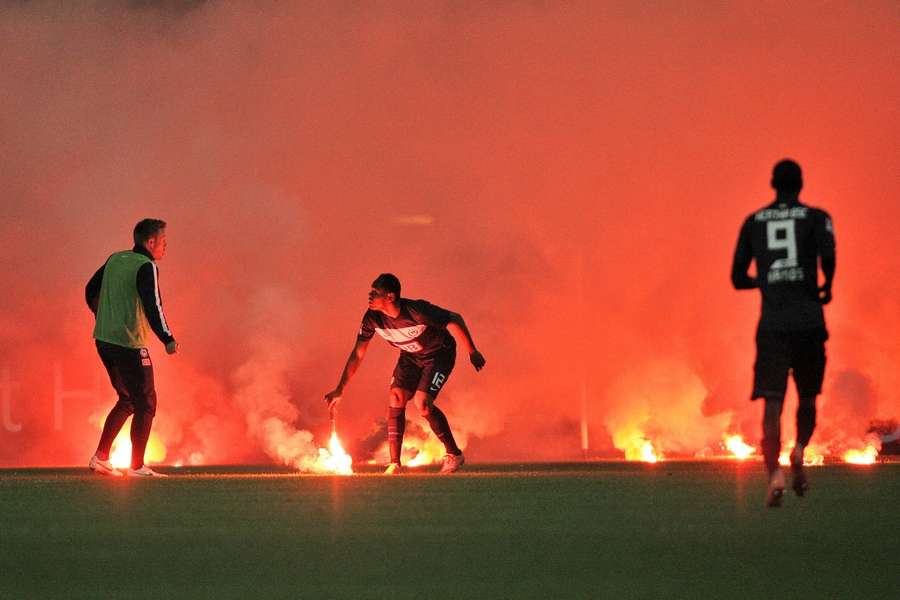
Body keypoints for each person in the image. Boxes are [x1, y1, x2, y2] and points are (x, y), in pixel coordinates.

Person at [731, 159, 836, 507]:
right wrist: (826, 286)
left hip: (773, 326)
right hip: (809, 322)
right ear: (801, 184)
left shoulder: (753, 221)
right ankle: (800, 451)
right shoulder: (818, 218)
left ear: (772, 184)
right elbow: (829, 257)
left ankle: (774, 473)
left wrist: (765, 280)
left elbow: (736, 277)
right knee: (807, 398)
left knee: (772, 402)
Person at [325, 273, 485, 474]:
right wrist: (340, 389)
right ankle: (395, 464)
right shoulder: (371, 318)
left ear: (390, 297)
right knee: (396, 396)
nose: (370, 296)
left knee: (423, 404)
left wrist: (472, 351)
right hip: (410, 357)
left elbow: (454, 318)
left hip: (439, 353)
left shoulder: (417, 311)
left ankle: (454, 454)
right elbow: (358, 354)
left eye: (375, 293)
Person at [84, 219, 178, 477]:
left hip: (103, 340)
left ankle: (100, 458)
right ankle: (137, 466)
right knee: (146, 402)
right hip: (128, 344)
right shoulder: (146, 266)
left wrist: (102, 316)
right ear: (150, 242)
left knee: (127, 400)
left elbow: (90, 289)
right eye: (163, 242)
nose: (165, 247)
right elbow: (153, 305)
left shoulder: (115, 259)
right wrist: (167, 338)